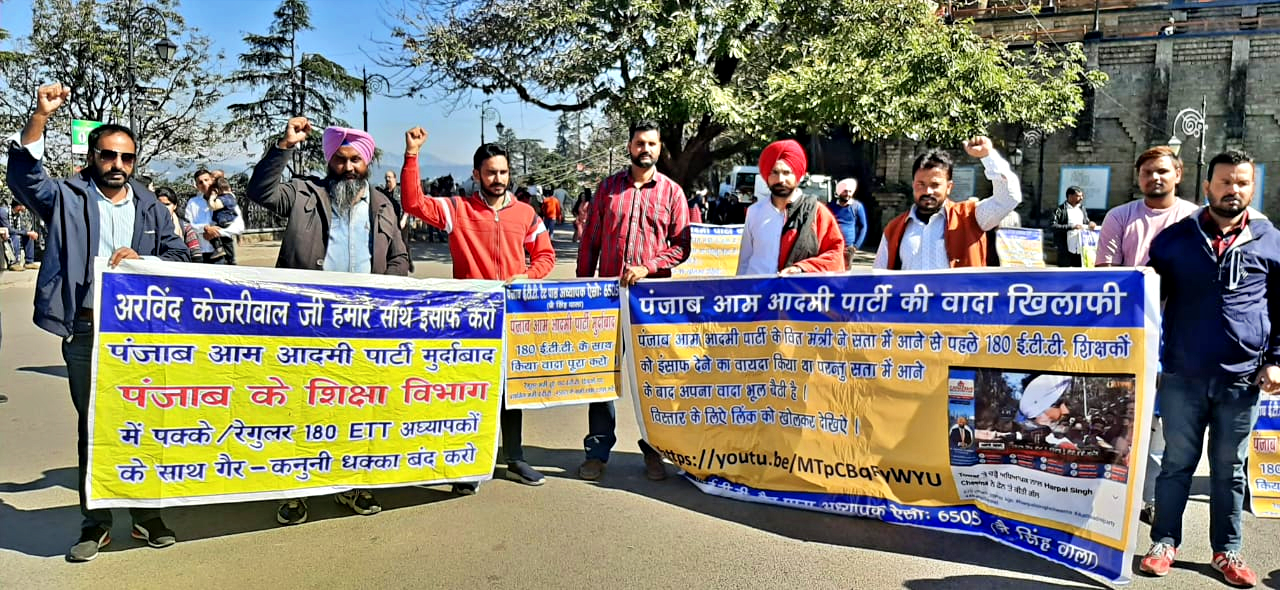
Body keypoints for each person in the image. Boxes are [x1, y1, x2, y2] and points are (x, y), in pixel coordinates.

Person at [6, 82, 190, 562]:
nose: (117, 165)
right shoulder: (66, 196)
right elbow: (25, 179)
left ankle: (148, 515)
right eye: (108, 155)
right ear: (92, 157)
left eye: (126, 158)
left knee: (145, 425)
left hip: (142, 334)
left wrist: (142, 257)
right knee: (95, 427)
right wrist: (41, 116)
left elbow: (175, 253)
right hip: (88, 331)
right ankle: (98, 522)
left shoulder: (150, 205)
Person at [247, 117, 409, 525]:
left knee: (356, 413)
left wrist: (384, 293)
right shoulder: (305, 193)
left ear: (367, 162)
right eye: (340, 160)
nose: (348, 167)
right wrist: (284, 145)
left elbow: (400, 258)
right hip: (308, 326)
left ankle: (351, 486)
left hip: (365, 329)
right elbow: (260, 192)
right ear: (329, 160)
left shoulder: (383, 205)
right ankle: (298, 492)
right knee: (304, 411)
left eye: (356, 160)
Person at [1140, 150, 1280, 587]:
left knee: (1230, 469)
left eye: (1241, 182)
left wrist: (1276, 360)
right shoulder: (1175, 239)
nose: (1232, 189)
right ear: (1206, 186)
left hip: (1242, 378)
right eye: (1224, 182)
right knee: (1176, 464)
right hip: (1182, 374)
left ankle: (1228, 551)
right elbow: (1139, 296)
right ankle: (1164, 541)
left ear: (1252, 187)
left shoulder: (1270, 239)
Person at [401, 128, 555, 490]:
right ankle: (468, 464)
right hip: (471, 318)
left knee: (510, 390)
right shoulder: (457, 209)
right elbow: (413, 203)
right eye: (490, 173)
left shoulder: (526, 214)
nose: (498, 179)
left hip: (513, 316)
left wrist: (528, 275)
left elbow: (546, 256)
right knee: (471, 389)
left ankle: (514, 458)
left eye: (503, 172)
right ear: (476, 175)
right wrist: (412, 155)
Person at [576, 120, 691, 482]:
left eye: (652, 143)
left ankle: (654, 450)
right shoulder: (608, 189)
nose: (646, 148)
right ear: (629, 146)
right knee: (602, 377)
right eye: (640, 142)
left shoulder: (673, 193)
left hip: (651, 299)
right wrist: (584, 290)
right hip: (609, 298)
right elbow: (591, 240)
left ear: (659, 149)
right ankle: (596, 451)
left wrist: (649, 266)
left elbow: (682, 247)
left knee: (653, 379)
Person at [1095, 146, 1199, 526]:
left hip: (1182, 337)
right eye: (1147, 172)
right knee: (1120, 418)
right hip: (1131, 335)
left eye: (1162, 171)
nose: (1155, 178)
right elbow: (1105, 275)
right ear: (1138, 178)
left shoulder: (1194, 218)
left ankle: (1152, 499)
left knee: (1164, 425)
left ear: (1178, 175)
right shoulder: (1120, 217)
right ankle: (1113, 497)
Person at [873, 137, 1021, 270]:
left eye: (935, 185)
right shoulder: (894, 229)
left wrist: (988, 156)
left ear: (949, 187)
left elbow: (1009, 197)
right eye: (921, 184)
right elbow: (878, 279)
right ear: (913, 185)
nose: (928, 191)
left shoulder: (971, 217)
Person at [736, 140, 844, 275]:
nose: (780, 179)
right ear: (766, 176)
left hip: (795, 294)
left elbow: (835, 255)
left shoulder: (817, 212)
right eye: (774, 172)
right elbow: (745, 260)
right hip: (758, 292)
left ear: (798, 176)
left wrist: (801, 268)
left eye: (787, 172)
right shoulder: (755, 211)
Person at [185, 169, 246, 265]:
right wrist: (205, 228)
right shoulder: (193, 203)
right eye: (200, 182)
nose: (204, 184)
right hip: (201, 253)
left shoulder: (226, 199)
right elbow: (188, 226)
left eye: (206, 180)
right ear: (197, 186)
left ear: (212, 181)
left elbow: (239, 227)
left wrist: (217, 232)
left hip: (224, 254)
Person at [1050, 186, 1094, 267]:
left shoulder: (1082, 208)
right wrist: (1071, 227)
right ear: (1070, 196)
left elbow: (1086, 222)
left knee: (1079, 272)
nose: (1081, 198)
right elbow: (1053, 226)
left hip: (1080, 247)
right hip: (1065, 247)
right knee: (1064, 271)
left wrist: (1091, 224)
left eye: (1082, 196)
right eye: (1078, 196)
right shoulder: (1060, 210)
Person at [155, 187, 203, 262]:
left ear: (175, 206)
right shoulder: (149, 226)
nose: (164, 208)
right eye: (160, 205)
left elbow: (196, 254)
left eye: (167, 204)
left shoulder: (185, 227)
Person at [829, 178, 868, 262]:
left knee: (845, 274)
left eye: (850, 191)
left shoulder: (857, 207)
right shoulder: (831, 206)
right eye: (845, 191)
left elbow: (863, 227)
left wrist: (856, 246)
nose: (848, 194)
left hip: (848, 248)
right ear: (839, 192)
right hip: (832, 247)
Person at [205, 176, 239, 263]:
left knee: (211, 231)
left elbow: (213, 206)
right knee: (227, 242)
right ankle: (231, 260)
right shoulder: (232, 196)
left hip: (223, 222)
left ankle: (219, 249)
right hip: (230, 222)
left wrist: (212, 197)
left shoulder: (223, 199)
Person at [9, 203, 42, 270]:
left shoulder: (18, 214)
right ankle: (15, 263)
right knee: (16, 237)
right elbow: (9, 229)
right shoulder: (4, 212)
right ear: (19, 206)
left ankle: (29, 262)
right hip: (6, 233)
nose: (26, 207)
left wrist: (30, 233)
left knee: (29, 236)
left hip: (13, 233)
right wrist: (27, 232)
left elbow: (20, 228)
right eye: (24, 205)